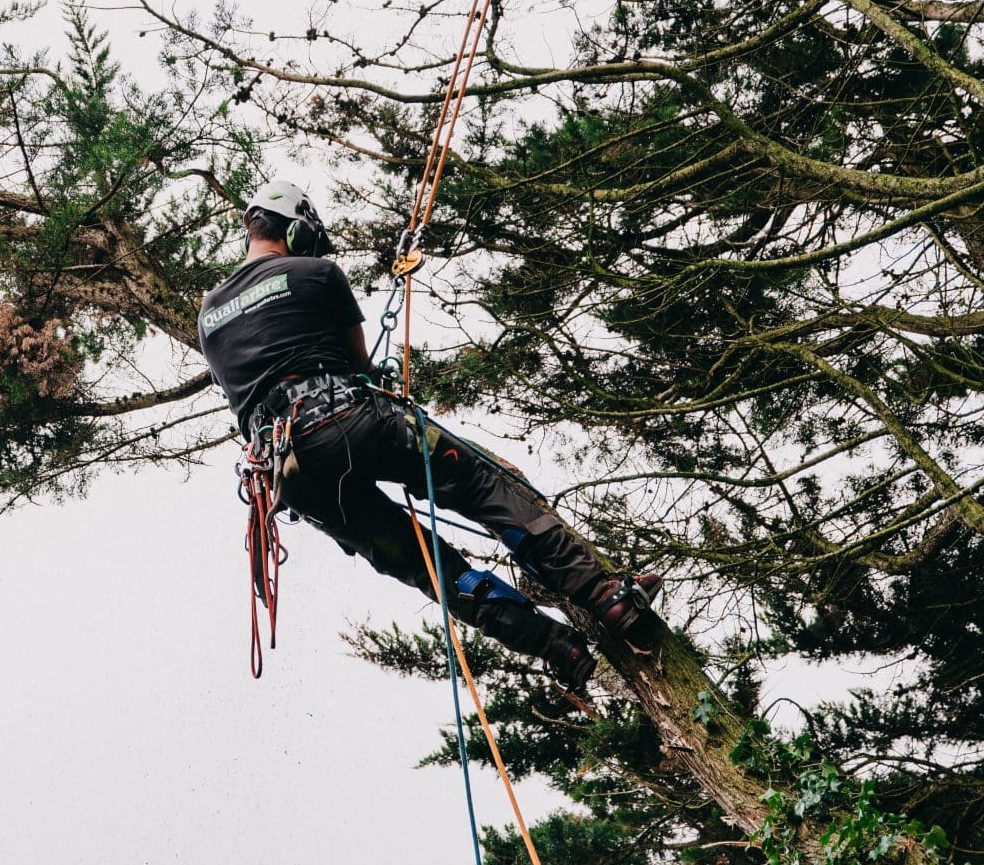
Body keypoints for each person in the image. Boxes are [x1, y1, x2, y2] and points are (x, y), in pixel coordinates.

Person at [197, 180, 659, 691]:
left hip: (291, 474)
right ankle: (605, 597)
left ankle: (555, 647)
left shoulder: (208, 315)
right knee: (486, 486)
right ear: (299, 229)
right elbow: (362, 369)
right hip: (353, 420)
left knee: (426, 567)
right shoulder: (316, 272)